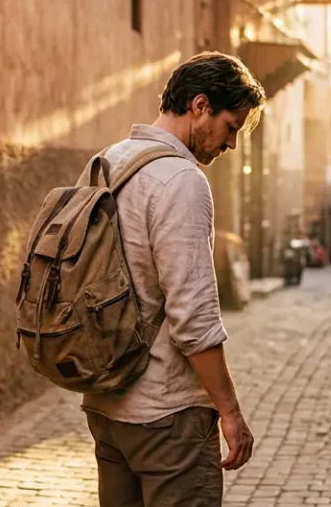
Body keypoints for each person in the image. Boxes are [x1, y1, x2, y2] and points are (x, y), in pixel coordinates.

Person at [82, 52, 263, 506]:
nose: (231, 144)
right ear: (200, 106)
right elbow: (194, 317)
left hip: (107, 407)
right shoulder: (181, 179)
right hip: (168, 416)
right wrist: (230, 411)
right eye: (232, 126)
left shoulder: (106, 163)